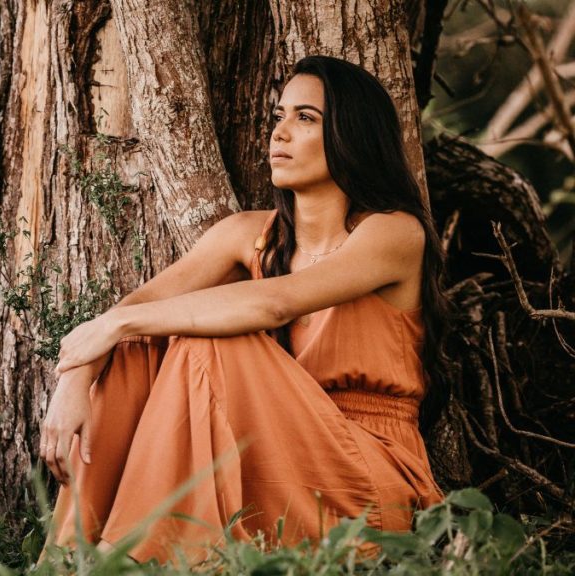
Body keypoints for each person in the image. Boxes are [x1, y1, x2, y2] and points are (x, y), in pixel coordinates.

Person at [36, 55, 451, 566]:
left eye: (305, 117)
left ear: (353, 134)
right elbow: (137, 308)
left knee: (202, 338)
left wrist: (117, 323)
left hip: (363, 477)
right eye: (278, 115)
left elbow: (274, 303)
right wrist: (78, 375)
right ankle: (73, 555)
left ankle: (134, 558)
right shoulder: (247, 234)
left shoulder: (393, 232)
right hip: (272, 453)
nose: (280, 132)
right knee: (138, 344)